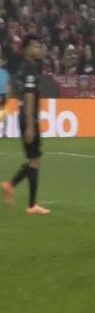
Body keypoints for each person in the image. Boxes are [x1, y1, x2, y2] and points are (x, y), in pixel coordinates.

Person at [1, 35, 50, 215]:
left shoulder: (26, 68)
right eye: (36, 46)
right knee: (35, 161)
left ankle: (32, 205)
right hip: (28, 118)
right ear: (27, 49)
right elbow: (29, 97)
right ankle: (10, 184)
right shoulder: (29, 70)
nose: (39, 49)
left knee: (34, 160)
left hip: (26, 117)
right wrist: (30, 124)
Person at [0, 55, 10, 137]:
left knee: (4, 113)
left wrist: (8, 95)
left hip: (4, 95)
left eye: (0, 61)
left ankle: (4, 132)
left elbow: (8, 85)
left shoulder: (5, 73)